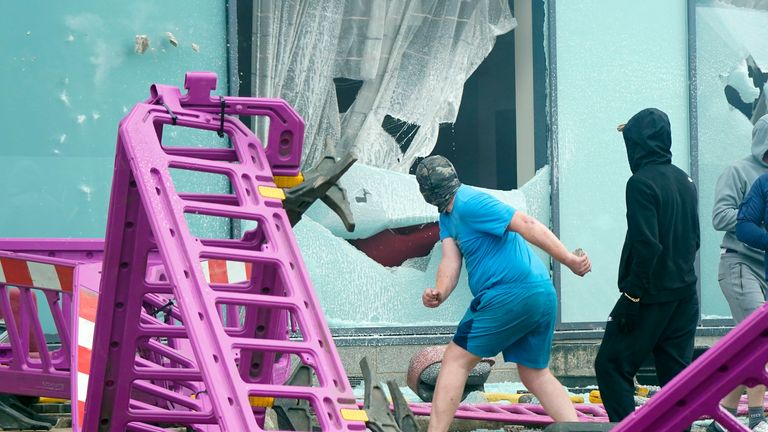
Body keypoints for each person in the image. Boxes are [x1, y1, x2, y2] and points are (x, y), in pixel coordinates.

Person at [414, 155, 592, 432]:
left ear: (425, 191)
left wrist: (568, 259)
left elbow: (527, 224)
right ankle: (579, 431)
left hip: (509, 293)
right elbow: (450, 261)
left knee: (455, 360)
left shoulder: (471, 201)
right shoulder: (447, 217)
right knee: (534, 373)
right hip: (540, 294)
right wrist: (440, 292)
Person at [594, 108, 700, 425]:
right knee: (676, 380)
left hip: (650, 296)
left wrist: (631, 297)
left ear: (637, 144)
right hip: (684, 296)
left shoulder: (640, 183)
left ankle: (630, 428)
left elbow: (647, 244)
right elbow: (694, 239)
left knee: (611, 365)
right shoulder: (685, 179)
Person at [710, 114, 768, 432]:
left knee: (749, 347)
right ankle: (757, 417)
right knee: (761, 339)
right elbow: (720, 216)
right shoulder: (738, 170)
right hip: (740, 263)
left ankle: (723, 418)